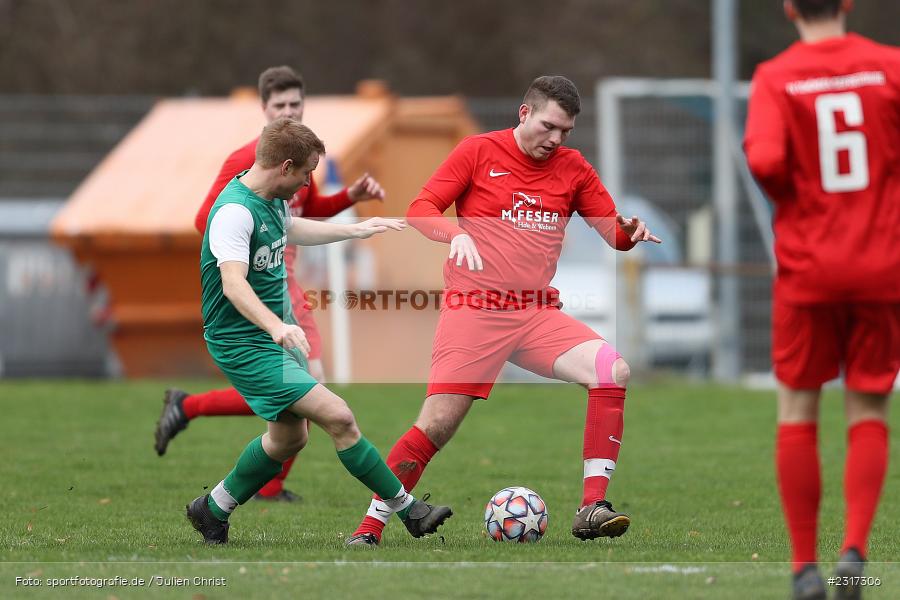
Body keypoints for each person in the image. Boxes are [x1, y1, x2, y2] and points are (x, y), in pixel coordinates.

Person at [344, 75, 661, 548]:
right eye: (549, 126)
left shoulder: (573, 169)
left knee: (612, 370)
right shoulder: (477, 152)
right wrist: (458, 233)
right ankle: (370, 528)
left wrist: (628, 232)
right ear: (524, 113)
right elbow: (421, 208)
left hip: (534, 313)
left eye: (566, 132)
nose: (556, 140)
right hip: (475, 309)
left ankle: (592, 507)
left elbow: (611, 231)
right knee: (436, 424)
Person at [186, 116, 451, 545]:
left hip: (274, 335)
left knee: (289, 439)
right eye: (307, 172)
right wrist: (276, 327)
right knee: (340, 416)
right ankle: (410, 510)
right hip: (245, 342)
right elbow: (233, 284)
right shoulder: (233, 212)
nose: (310, 183)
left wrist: (356, 230)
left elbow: (291, 229)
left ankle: (212, 508)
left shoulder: (270, 197)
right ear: (286, 166)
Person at [154, 65, 385, 502]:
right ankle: (261, 481)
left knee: (299, 388)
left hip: (285, 278)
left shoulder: (300, 154)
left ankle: (194, 416)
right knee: (306, 386)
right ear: (264, 108)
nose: (289, 110)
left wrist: (350, 199)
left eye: (295, 104)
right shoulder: (248, 162)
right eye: (280, 105)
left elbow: (308, 209)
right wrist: (247, 253)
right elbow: (210, 218)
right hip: (263, 283)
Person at [744, 1, 900, 598]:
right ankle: (855, 550)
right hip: (882, 266)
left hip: (810, 268)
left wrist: (796, 197)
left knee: (798, 413)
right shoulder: (888, 67)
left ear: (788, 8)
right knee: (868, 411)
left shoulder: (778, 76)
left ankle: (804, 567)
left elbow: (765, 158)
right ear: (847, 2)